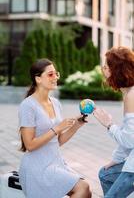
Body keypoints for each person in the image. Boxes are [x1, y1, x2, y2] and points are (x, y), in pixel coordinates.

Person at [18, 58, 92, 198]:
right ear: (38, 79)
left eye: (56, 74)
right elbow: (29, 145)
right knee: (83, 187)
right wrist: (56, 128)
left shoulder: (56, 103)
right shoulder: (28, 106)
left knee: (87, 192)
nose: (56, 77)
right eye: (50, 74)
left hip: (55, 162)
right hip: (37, 168)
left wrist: (76, 125)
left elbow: (57, 141)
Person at [93, 47, 134, 198]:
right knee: (105, 174)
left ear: (117, 70)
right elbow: (129, 133)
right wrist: (116, 160)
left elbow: (129, 140)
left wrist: (109, 124)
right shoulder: (129, 93)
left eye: (107, 65)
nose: (103, 68)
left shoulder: (131, 96)